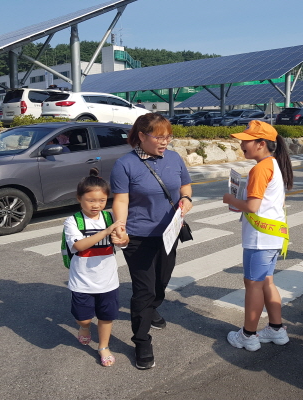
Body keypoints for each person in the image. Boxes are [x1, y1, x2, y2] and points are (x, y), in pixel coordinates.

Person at [110, 113, 193, 369]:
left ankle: (153, 306)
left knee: (161, 281)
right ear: (142, 136)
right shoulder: (125, 164)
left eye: (168, 136)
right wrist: (120, 227)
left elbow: (185, 187)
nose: (165, 141)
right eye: (159, 137)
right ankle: (141, 340)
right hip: (138, 236)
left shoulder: (174, 158)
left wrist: (187, 200)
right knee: (143, 289)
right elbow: (121, 200)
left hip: (169, 233)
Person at [222, 120, 294, 351]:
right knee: (266, 281)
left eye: (246, 141)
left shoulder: (260, 168)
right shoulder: (274, 164)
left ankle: (248, 335)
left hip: (259, 237)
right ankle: (276, 329)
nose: (242, 145)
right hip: (272, 235)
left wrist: (230, 199)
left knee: (252, 284)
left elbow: (252, 206)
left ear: (261, 144)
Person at [62, 168, 124, 367]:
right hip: (82, 282)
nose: (97, 205)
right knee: (84, 318)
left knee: (107, 317)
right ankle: (84, 328)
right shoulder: (72, 222)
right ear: (79, 198)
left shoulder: (110, 217)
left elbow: (124, 241)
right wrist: (106, 232)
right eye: (91, 200)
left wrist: (122, 239)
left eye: (102, 200)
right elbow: (79, 245)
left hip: (108, 281)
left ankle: (103, 346)